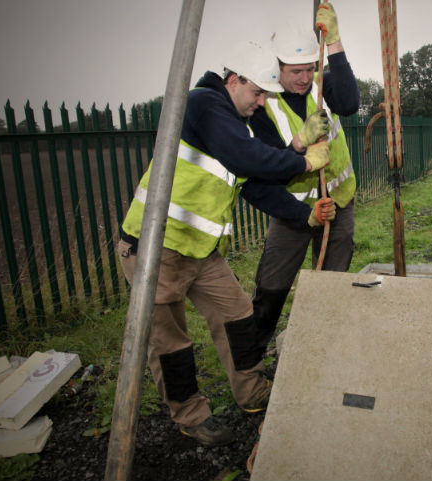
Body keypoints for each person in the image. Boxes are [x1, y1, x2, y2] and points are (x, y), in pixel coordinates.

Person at [116, 41, 335, 447]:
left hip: (201, 251)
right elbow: (245, 157)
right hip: (155, 247)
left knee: (238, 317)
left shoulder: (237, 121)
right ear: (233, 80)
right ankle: (191, 416)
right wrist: (303, 160)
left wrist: (300, 210)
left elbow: (255, 182)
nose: (261, 102)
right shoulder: (202, 103)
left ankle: (252, 394)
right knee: (171, 342)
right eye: (257, 93)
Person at [247, 2, 359, 356]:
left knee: (330, 282)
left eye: (310, 69)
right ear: (276, 68)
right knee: (273, 284)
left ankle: (320, 346)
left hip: (338, 201)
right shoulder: (261, 104)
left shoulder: (319, 85)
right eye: (295, 71)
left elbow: (350, 102)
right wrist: (298, 145)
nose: (304, 78)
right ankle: (254, 351)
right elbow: (265, 168)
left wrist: (336, 43)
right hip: (294, 211)